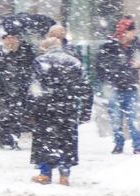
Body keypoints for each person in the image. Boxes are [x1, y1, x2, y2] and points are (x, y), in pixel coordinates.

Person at [28, 36, 92, 185]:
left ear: (45, 48)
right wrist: (85, 110)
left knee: (45, 140)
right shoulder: (74, 62)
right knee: (66, 140)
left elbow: (34, 87)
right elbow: (86, 87)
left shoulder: (41, 61)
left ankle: (45, 173)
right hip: (68, 107)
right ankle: (64, 174)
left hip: (45, 108)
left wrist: (30, 109)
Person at [95, 15, 140, 154]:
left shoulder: (136, 44)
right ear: (124, 32)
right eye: (132, 31)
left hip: (131, 87)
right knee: (116, 118)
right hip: (114, 88)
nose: (135, 34)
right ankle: (118, 144)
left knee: (133, 117)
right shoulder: (109, 46)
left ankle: (138, 145)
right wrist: (108, 80)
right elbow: (100, 66)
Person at [0, 31, 35, 149]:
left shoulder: (26, 54)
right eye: (8, 38)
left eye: (14, 38)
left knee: (15, 116)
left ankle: (13, 139)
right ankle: (4, 140)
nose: (11, 41)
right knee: (1, 116)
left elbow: (29, 72)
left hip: (18, 91)